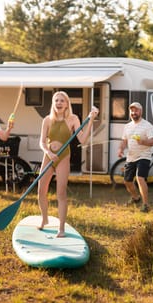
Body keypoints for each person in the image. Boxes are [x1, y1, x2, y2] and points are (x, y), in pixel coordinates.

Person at [38, 91, 99, 237]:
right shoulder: (47, 120)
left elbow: (83, 139)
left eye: (62, 101)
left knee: (61, 193)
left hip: (63, 157)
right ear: (53, 103)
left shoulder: (73, 119)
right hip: (49, 157)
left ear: (67, 104)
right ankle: (44, 218)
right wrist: (48, 152)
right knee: (41, 190)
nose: (59, 103)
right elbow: (41, 141)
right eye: (56, 100)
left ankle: (61, 228)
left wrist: (91, 120)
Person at [117, 102, 153, 213]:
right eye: (132, 111)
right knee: (127, 181)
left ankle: (145, 205)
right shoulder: (127, 126)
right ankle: (135, 198)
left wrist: (142, 141)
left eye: (136, 110)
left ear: (141, 111)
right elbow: (124, 141)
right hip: (131, 157)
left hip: (144, 156)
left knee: (140, 178)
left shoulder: (147, 125)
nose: (134, 112)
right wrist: (120, 149)